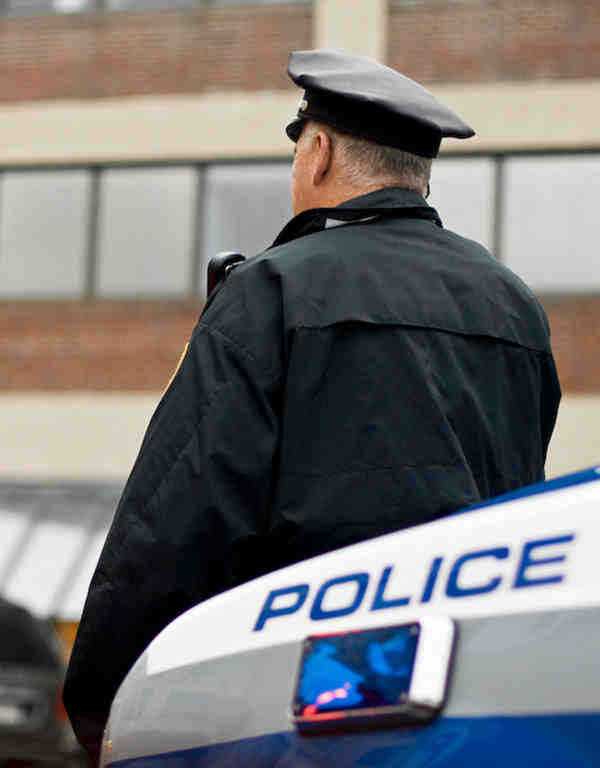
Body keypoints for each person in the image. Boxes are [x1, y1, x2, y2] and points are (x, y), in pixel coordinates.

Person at [64, 49, 561, 761]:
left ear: (319, 152)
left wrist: (104, 704)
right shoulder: (513, 305)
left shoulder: (273, 291)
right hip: (473, 707)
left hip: (304, 711)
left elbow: (176, 519)